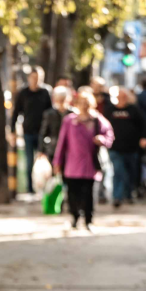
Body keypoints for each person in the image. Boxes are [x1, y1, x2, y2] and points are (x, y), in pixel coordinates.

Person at [53, 89, 114, 230]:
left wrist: (102, 140)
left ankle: (88, 220)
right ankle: (74, 217)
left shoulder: (97, 120)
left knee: (89, 195)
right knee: (72, 194)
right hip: (72, 165)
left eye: (86, 103)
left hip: (90, 164)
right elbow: (62, 143)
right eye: (81, 102)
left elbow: (109, 135)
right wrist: (57, 162)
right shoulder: (69, 121)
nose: (84, 105)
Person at [101, 87, 146, 207]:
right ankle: (117, 197)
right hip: (115, 148)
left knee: (130, 172)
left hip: (132, 147)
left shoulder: (134, 110)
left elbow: (144, 126)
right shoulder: (109, 110)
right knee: (119, 171)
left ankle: (128, 194)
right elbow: (103, 126)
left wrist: (144, 138)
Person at [9, 68, 52, 196]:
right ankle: (30, 189)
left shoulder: (45, 92)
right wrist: (12, 131)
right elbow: (16, 113)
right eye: (33, 77)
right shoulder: (23, 93)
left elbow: (50, 112)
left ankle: (44, 188)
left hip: (43, 133)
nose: (35, 80)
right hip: (28, 131)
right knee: (29, 162)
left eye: (38, 77)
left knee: (43, 161)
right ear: (29, 78)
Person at [37, 86, 73, 162]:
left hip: (70, 148)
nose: (61, 102)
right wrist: (41, 150)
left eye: (63, 99)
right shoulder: (49, 114)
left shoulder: (73, 113)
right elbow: (43, 132)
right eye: (59, 99)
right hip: (53, 148)